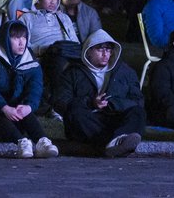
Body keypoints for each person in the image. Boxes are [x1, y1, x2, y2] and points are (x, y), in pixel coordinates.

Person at [52, 29, 145, 157]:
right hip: (89, 121)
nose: (105, 54)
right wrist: (91, 103)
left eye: (108, 49)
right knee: (75, 113)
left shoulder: (125, 72)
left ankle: (116, 141)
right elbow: (60, 102)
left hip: (115, 118)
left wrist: (113, 104)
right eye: (100, 49)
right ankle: (116, 145)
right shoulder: (72, 72)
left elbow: (138, 100)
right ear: (88, 51)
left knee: (138, 112)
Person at [0, 18, 57, 158]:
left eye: (24, 37)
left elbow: (35, 88)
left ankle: (42, 141)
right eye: (16, 38)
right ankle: (22, 143)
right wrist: (4, 107)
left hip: (17, 115)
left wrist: (29, 107)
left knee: (25, 111)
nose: (21, 42)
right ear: (5, 39)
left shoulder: (29, 60)